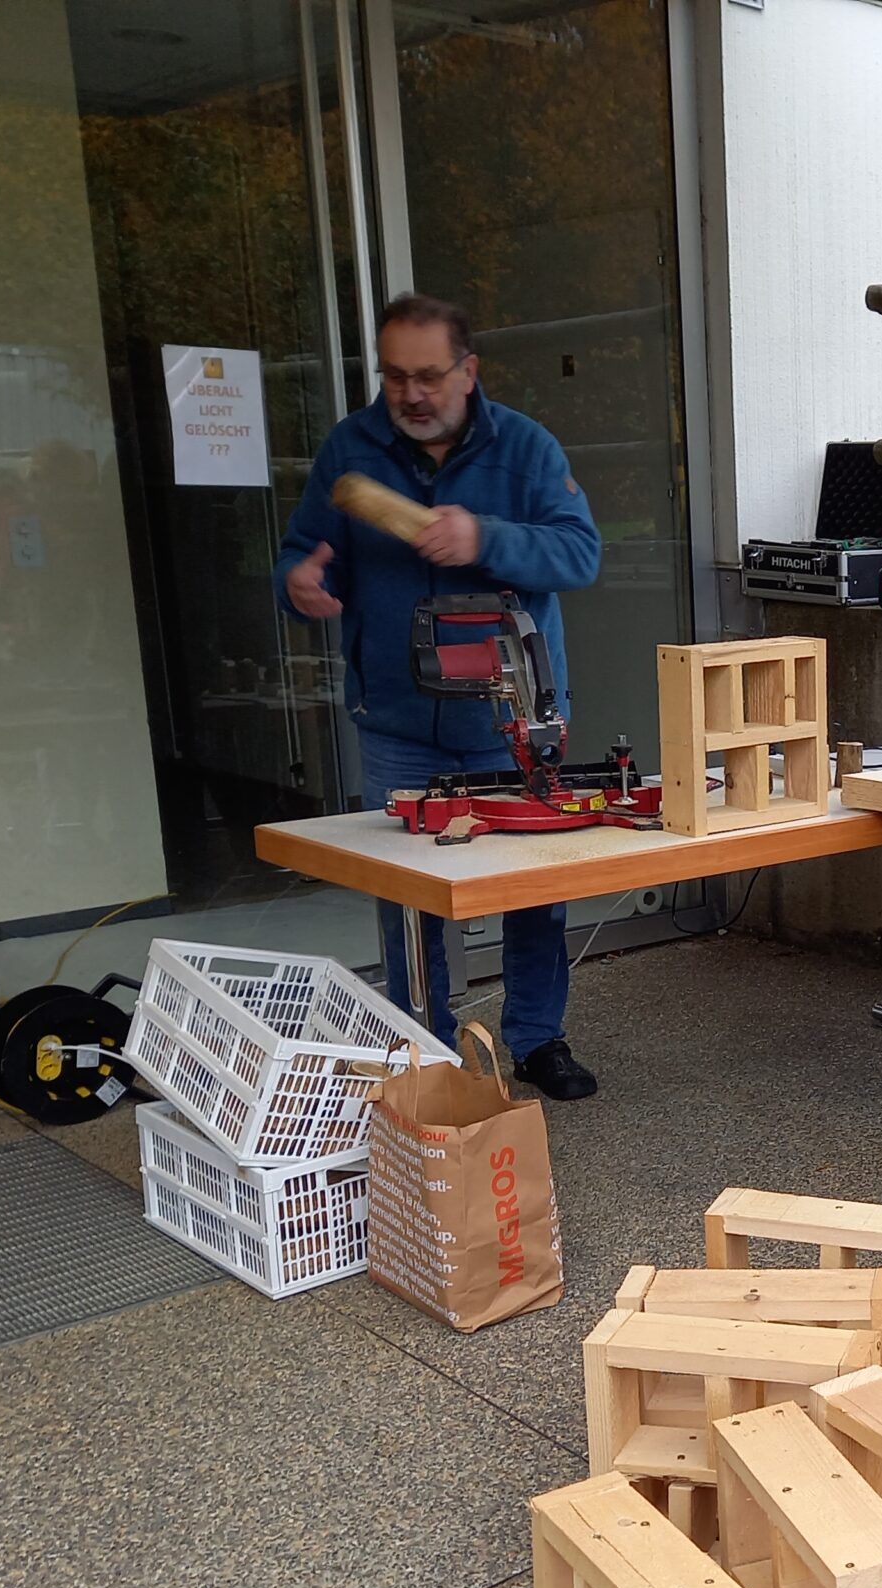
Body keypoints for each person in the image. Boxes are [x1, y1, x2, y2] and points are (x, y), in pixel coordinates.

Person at [275, 293, 603, 1100]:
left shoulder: (524, 449)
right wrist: (301, 581)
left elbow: (580, 554)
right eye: (394, 377)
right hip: (397, 720)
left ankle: (537, 1038)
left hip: (511, 717)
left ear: (468, 370)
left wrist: (483, 538)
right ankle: (420, 1045)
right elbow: (303, 552)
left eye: (428, 375)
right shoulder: (351, 449)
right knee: (407, 900)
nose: (412, 394)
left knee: (534, 888)